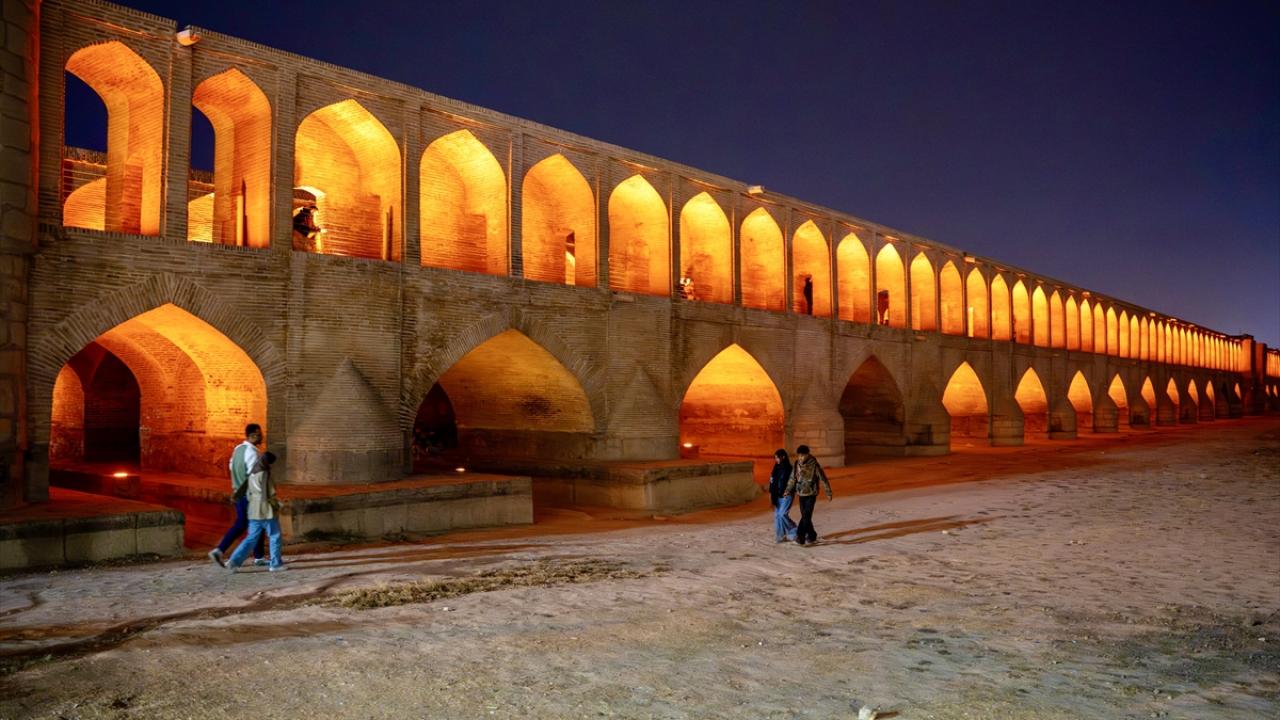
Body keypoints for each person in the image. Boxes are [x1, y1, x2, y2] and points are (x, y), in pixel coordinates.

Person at [208, 424, 266, 567]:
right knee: (255, 524)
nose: (261, 437)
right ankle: (223, 551)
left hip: (238, 492)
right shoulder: (253, 453)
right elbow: (254, 476)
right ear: (253, 435)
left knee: (244, 524)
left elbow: (231, 466)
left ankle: (257, 556)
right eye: (259, 434)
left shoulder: (238, 449)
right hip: (250, 495)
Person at [227, 452, 286, 572]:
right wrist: (279, 505)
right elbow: (270, 494)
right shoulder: (265, 474)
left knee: (251, 538)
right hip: (266, 510)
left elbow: (247, 492)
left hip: (253, 510)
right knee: (274, 536)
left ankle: (234, 561)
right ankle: (275, 564)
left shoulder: (252, 473)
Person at [783, 444, 833, 546]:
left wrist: (828, 492)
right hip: (801, 493)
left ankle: (800, 537)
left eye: (802, 455)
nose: (800, 458)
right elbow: (792, 479)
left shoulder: (814, 465)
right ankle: (812, 535)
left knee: (806, 516)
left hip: (811, 494)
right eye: (799, 455)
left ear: (807, 455)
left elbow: (823, 479)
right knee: (806, 517)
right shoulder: (796, 464)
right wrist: (787, 490)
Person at [769, 448, 797, 543]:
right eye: (775, 458)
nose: (776, 460)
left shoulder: (789, 469)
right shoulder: (776, 468)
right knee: (777, 516)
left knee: (782, 514)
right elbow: (772, 482)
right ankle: (780, 536)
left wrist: (788, 491)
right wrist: (771, 495)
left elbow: (793, 482)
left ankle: (796, 531)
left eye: (777, 457)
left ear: (783, 457)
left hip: (787, 495)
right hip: (777, 496)